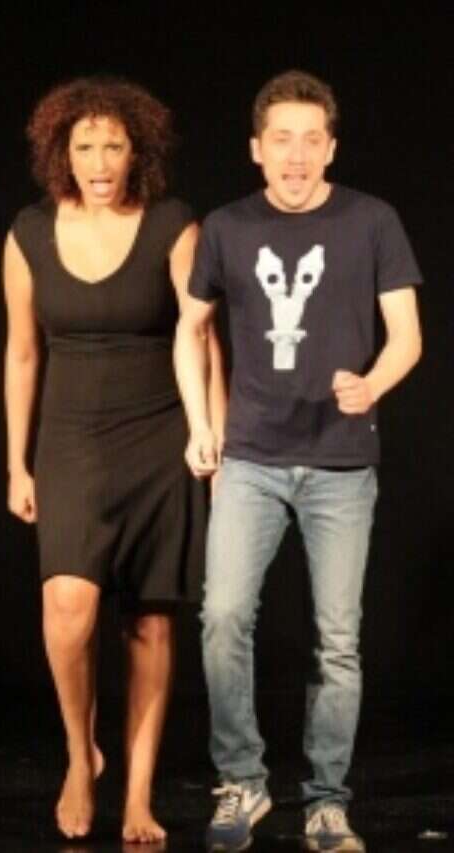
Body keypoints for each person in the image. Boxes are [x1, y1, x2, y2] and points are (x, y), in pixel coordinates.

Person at [175, 70, 422, 852]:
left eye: (312, 140)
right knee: (222, 616)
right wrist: (201, 424)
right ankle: (242, 781)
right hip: (251, 456)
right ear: (257, 148)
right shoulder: (226, 227)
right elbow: (190, 330)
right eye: (281, 139)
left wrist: (372, 383)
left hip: (342, 463)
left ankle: (326, 801)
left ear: (331, 148)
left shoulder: (372, 221)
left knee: (337, 639)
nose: (296, 155)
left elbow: (408, 336)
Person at [3, 77, 224, 843]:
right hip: (69, 439)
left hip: (159, 435)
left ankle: (137, 794)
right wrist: (16, 463)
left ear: (139, 152)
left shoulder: (173, 224)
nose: (100, 162)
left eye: (114, 146)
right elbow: (21, 352)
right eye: (86, 146)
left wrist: (215, 438)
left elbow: (202, 336)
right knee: (68, 609)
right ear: (61, 152)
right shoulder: (29, 232)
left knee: (150, 623)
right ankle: (79, 752)